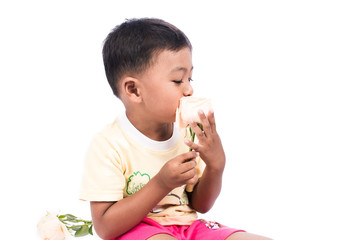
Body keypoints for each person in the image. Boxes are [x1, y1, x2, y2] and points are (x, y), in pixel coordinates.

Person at [80, 18, 271, 240]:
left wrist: (216, 165)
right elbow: (105, 228)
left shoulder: (188, 133)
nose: (189, 89)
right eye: (178, 80)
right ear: (133, 90)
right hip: (139, 231)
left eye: (190, 77)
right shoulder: (109, 144)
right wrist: (161, 184)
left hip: (190, 227)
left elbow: (201, 204)